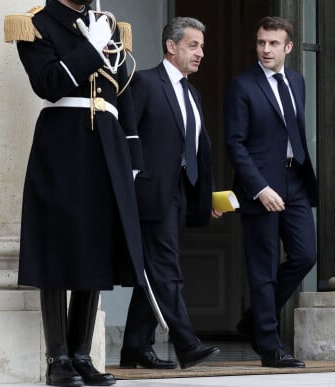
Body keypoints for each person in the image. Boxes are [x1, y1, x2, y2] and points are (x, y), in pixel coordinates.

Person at [5, 0, 146, 386]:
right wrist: (89, 49)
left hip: (107, 143)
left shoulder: (109, 24)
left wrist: (132, 154)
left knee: (96, 246)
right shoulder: (35, 23)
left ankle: (82, 355)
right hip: (63, 141)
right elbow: (49, 85)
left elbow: (124, 94)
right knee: (57, 244)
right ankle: (59, 358)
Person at [120, 17, 222, 370]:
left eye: (202, 47)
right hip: (150, 194)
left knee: (156, 270)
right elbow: (126, 136)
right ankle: (186, 342)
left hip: (180, 194)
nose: (200, 54)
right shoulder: (145, 82)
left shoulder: (191, 92)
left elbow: (198, 149)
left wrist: (204, 198)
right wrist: (132, 184)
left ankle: (135, 346)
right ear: (171, 46)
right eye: (193, 45)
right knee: (165, 269)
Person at [224, 16, 318, 368]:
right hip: (260, 187)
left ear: (288, 47)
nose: (266, 49)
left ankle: (252, 321)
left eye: (273, 43)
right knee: (262, 268)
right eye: (262, 42)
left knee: (305, 256)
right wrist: (259, 187)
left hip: (295, 182)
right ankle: (268, 344)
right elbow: (235, 143)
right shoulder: (241, 85)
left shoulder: (297, 81)